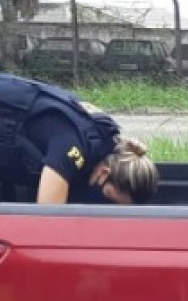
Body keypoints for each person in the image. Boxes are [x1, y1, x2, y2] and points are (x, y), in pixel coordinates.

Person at [0, 73, 158, 205]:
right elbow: (48, 220)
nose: (109, 207)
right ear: (103, 173)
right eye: (110, 201)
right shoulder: (73, 149)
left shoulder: (101, 140)